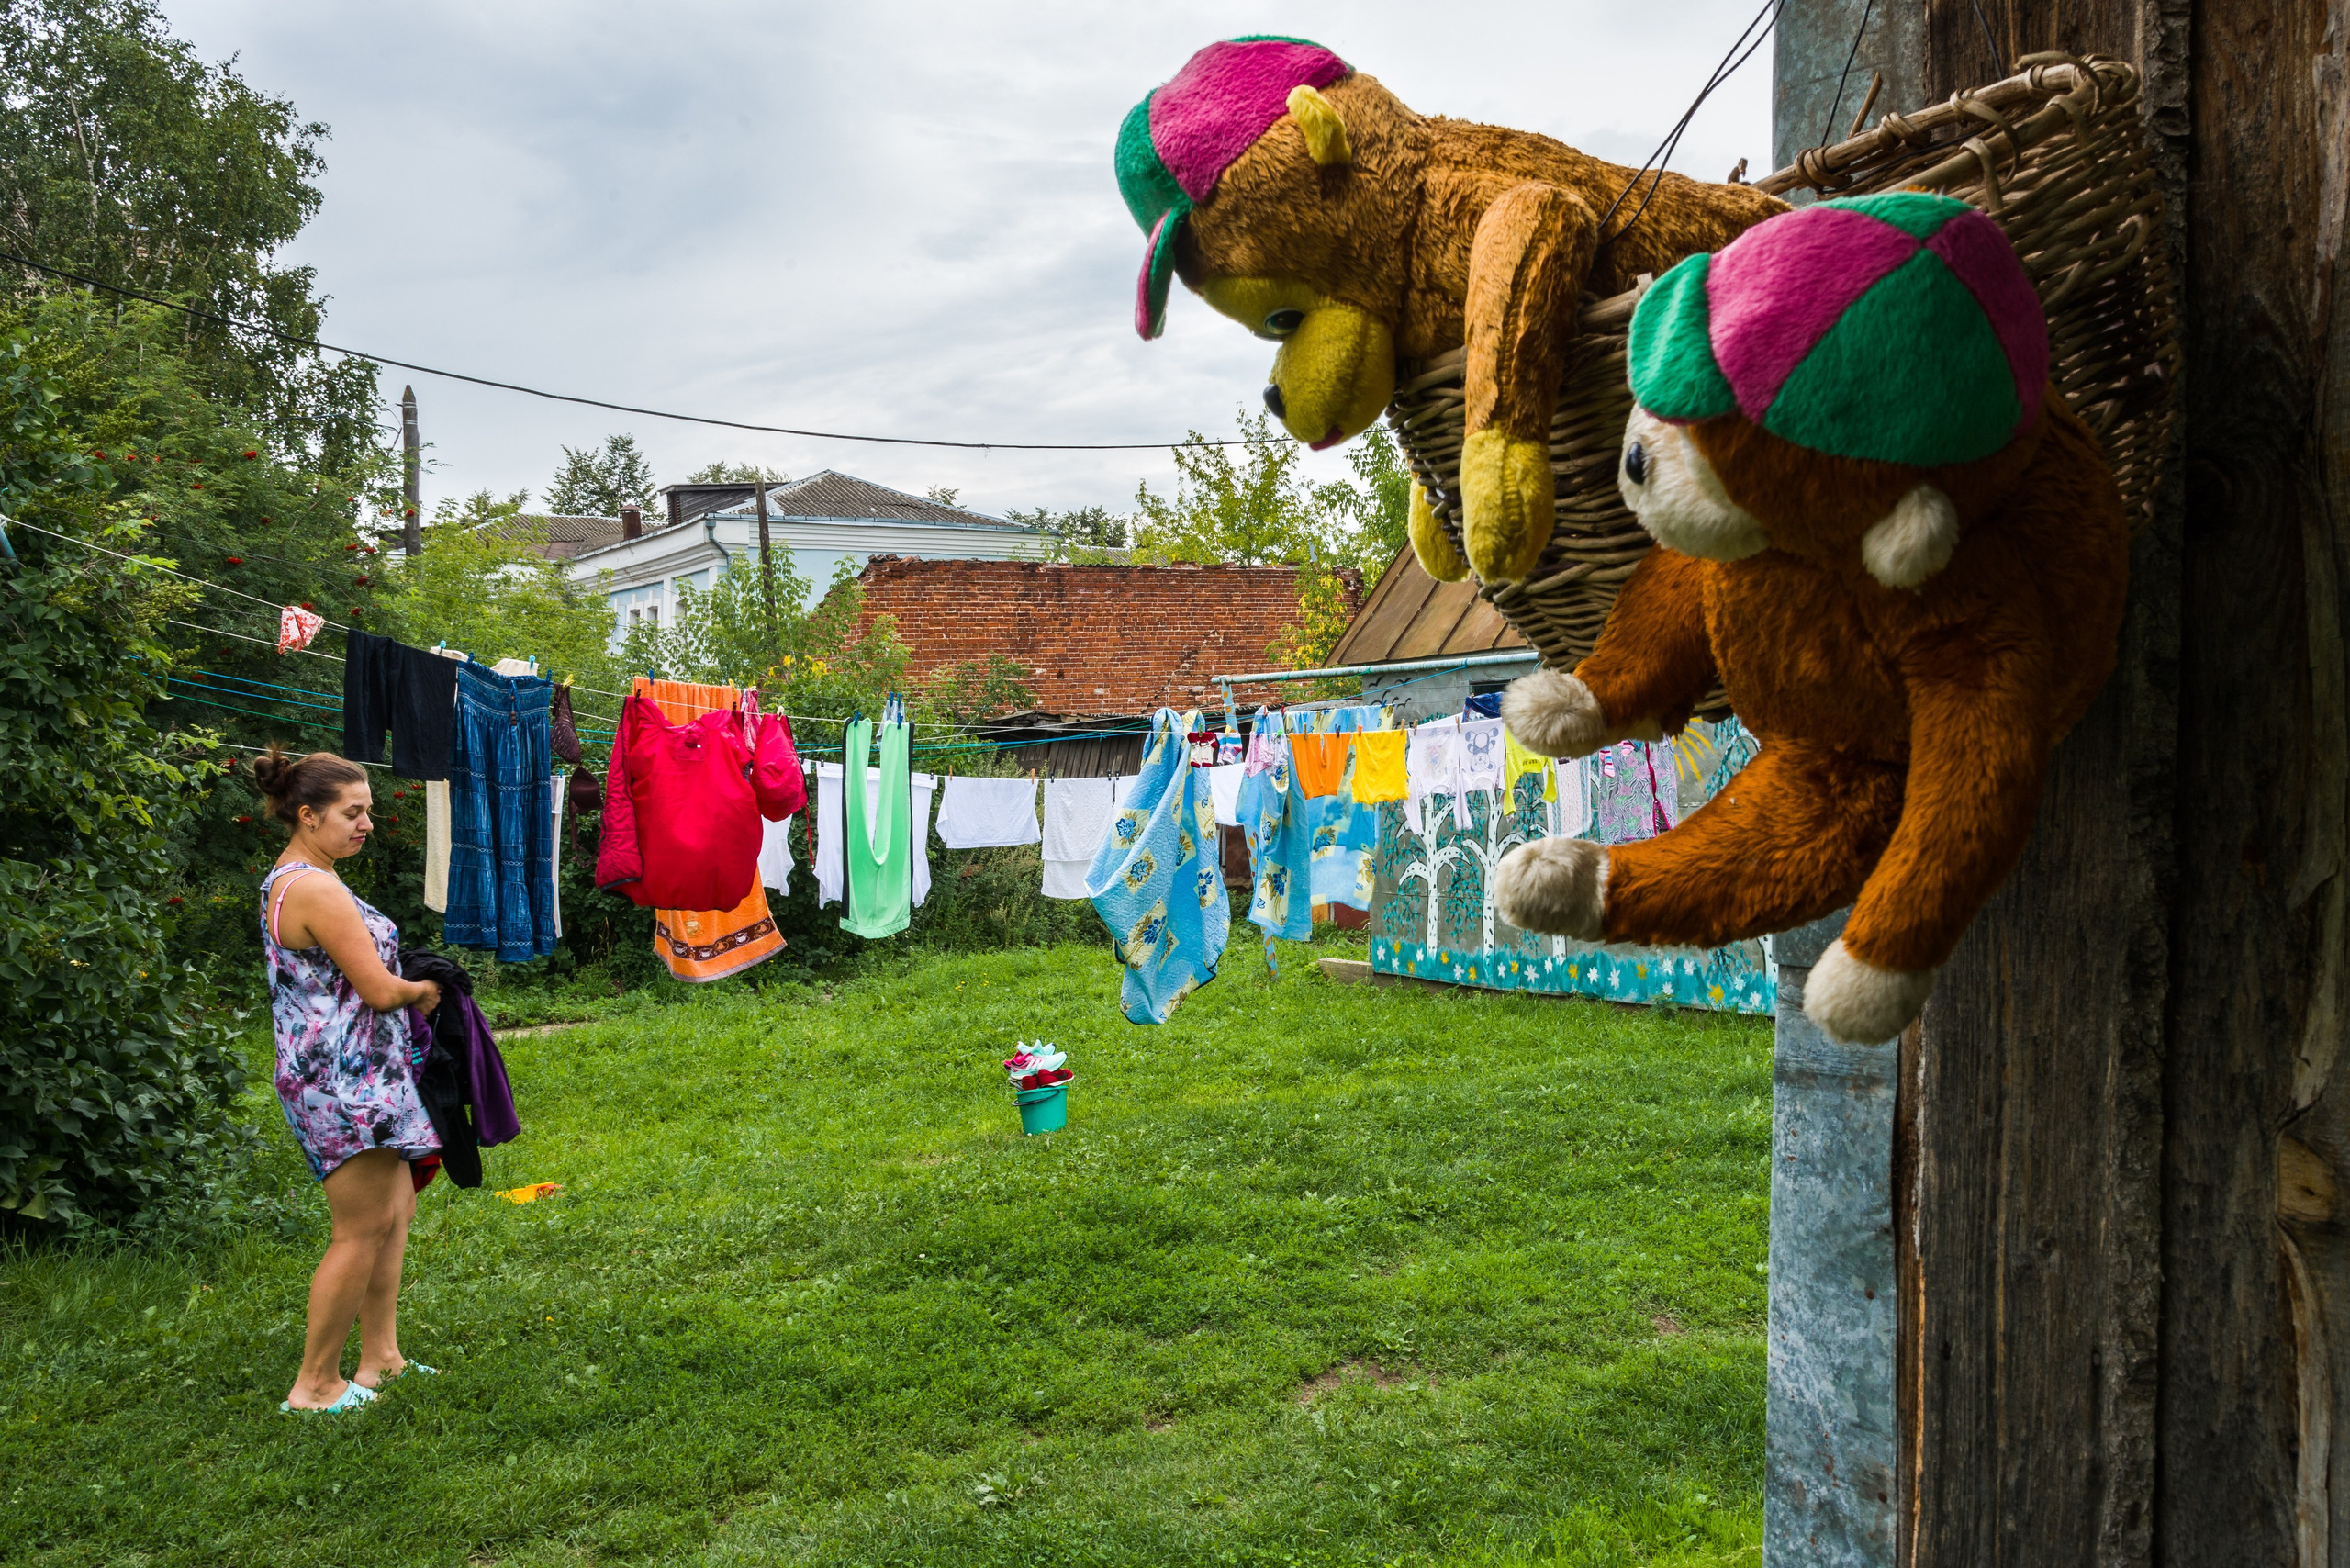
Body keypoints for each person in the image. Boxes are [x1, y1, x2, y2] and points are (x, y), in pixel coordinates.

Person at [252, 745, 443, 1414]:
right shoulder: (315, 888)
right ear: (308, 815)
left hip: (363, 1072)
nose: (365, 823)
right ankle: (314, 1384)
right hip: (341, 1080)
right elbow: (378, 989)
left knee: (394, 1215)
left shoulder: (299, 877)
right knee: (359, 1228)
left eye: (367, 811)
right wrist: (424, 989)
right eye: (351, 812)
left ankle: (381, 1359)